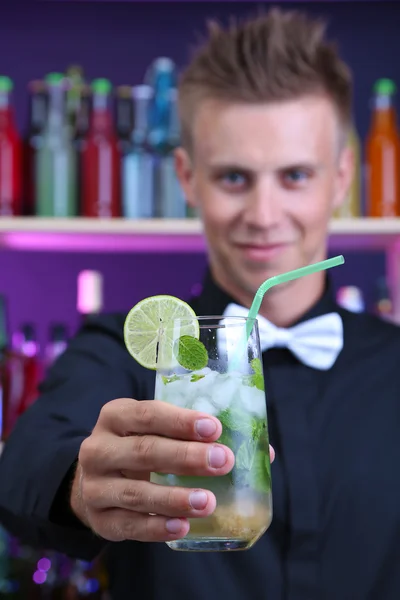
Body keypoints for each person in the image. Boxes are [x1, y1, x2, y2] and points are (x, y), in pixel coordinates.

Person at [1, 7, 400, 600]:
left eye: (294, 175)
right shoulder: (129, 348)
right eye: (234, 178)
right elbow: (26, 462)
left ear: (342, 177)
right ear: (188, 178)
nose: (264, 216)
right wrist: (82, 484)